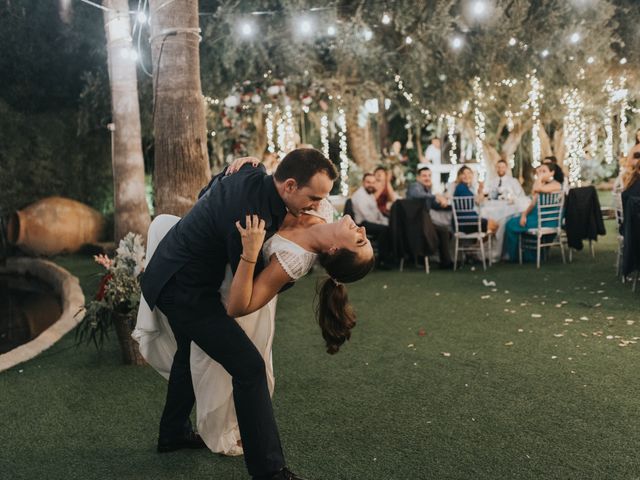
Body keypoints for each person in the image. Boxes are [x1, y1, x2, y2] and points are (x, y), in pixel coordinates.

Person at [140, 148, 360, 480]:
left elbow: (207, 194)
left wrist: (237, 167)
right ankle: (269, 472)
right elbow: (243, 295)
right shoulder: (254, 218)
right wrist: (254, 252)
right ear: (288, 186)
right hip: (183, 291)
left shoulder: (250, 174)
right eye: (313, 197)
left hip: (171, 270)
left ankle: (172, 434)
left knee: (188, 351)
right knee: (249, 367)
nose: (318, 205)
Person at [504, 162, 564, 262]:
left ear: (552, 173)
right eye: (539, 171)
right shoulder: (543, 184)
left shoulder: (556, 185)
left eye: (544, 171)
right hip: (536, 216)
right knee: (512, 221)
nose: (541, 173)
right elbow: (533, 202)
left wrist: (539, 177)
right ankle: (520, 255)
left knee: (510, 225)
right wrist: (524, 215)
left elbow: (537, 188)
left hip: (547, 219)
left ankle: (514, 257)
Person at [406, 167, 454, 268]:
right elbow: (417, 195)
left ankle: (444, 261)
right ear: (418, 178)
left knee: (446, 232)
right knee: (444, 231)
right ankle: (444, 262)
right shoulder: (415, 186)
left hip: (424, 223)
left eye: (429, 176)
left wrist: (446, 204)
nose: (427, 178)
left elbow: (433, 205)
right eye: (424, 176)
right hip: (415, 224)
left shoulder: (427, 190)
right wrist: (435, 196)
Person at [351, 173, 392, 267]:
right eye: (368, 182)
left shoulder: (370, 195)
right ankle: (382, 261)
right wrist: (383, 224)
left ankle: (390, 258)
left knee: (389, 226)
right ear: (363, 183)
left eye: (373, 182)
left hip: (370, 222)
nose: (371, 185)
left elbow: (377, 213)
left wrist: (386, 222)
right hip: (361, 224)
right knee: (384, 230)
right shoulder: (360, 196)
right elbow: (368, 217)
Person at [452, 166, 498, 234]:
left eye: (468, 173)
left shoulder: (465, 188)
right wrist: (480, 191)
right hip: (466, 222)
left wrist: (480, 190)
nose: (466, 176)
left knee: (493, 224)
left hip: (466, 220)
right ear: (459, 176)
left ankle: (479, 243)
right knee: (494, 224)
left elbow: (477, 202)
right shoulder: (461, 188)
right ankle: (480, 243)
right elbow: (477, 202)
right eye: (463, 174)